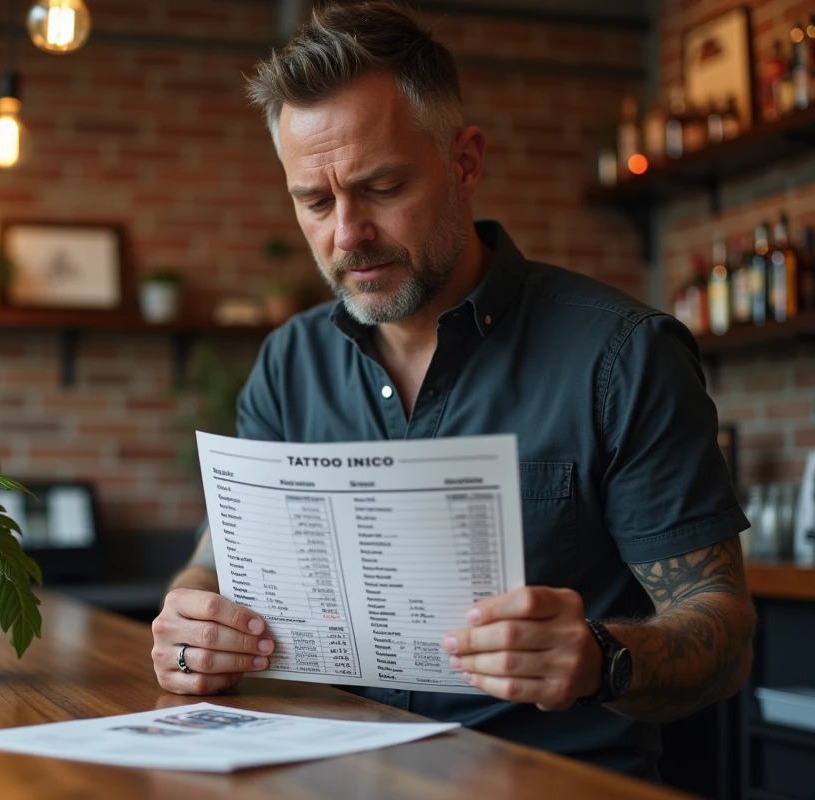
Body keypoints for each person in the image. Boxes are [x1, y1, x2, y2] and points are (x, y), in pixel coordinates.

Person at [149, 0, 756, 779]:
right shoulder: (287, 362)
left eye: (381, 186)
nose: (347, 234)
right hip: (328, 778)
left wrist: (604, 657)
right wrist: (189, 617)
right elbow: (216, 564)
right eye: (314, 201)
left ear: (465, 161)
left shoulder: (623, 357)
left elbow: (725, 635)